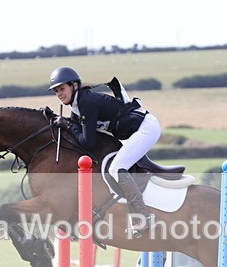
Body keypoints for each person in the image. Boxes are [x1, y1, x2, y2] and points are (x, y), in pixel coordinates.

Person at [48, 66, 160, 236]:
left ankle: (142, 218)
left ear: (75, 86)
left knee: (116, 168)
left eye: (62, 89)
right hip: (131, 131)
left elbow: (88, 142)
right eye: (56, 91)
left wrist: (68, 125)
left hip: (145, 128)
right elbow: (73, 131)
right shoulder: (77, 105)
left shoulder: (86, 103)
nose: (60, 94)